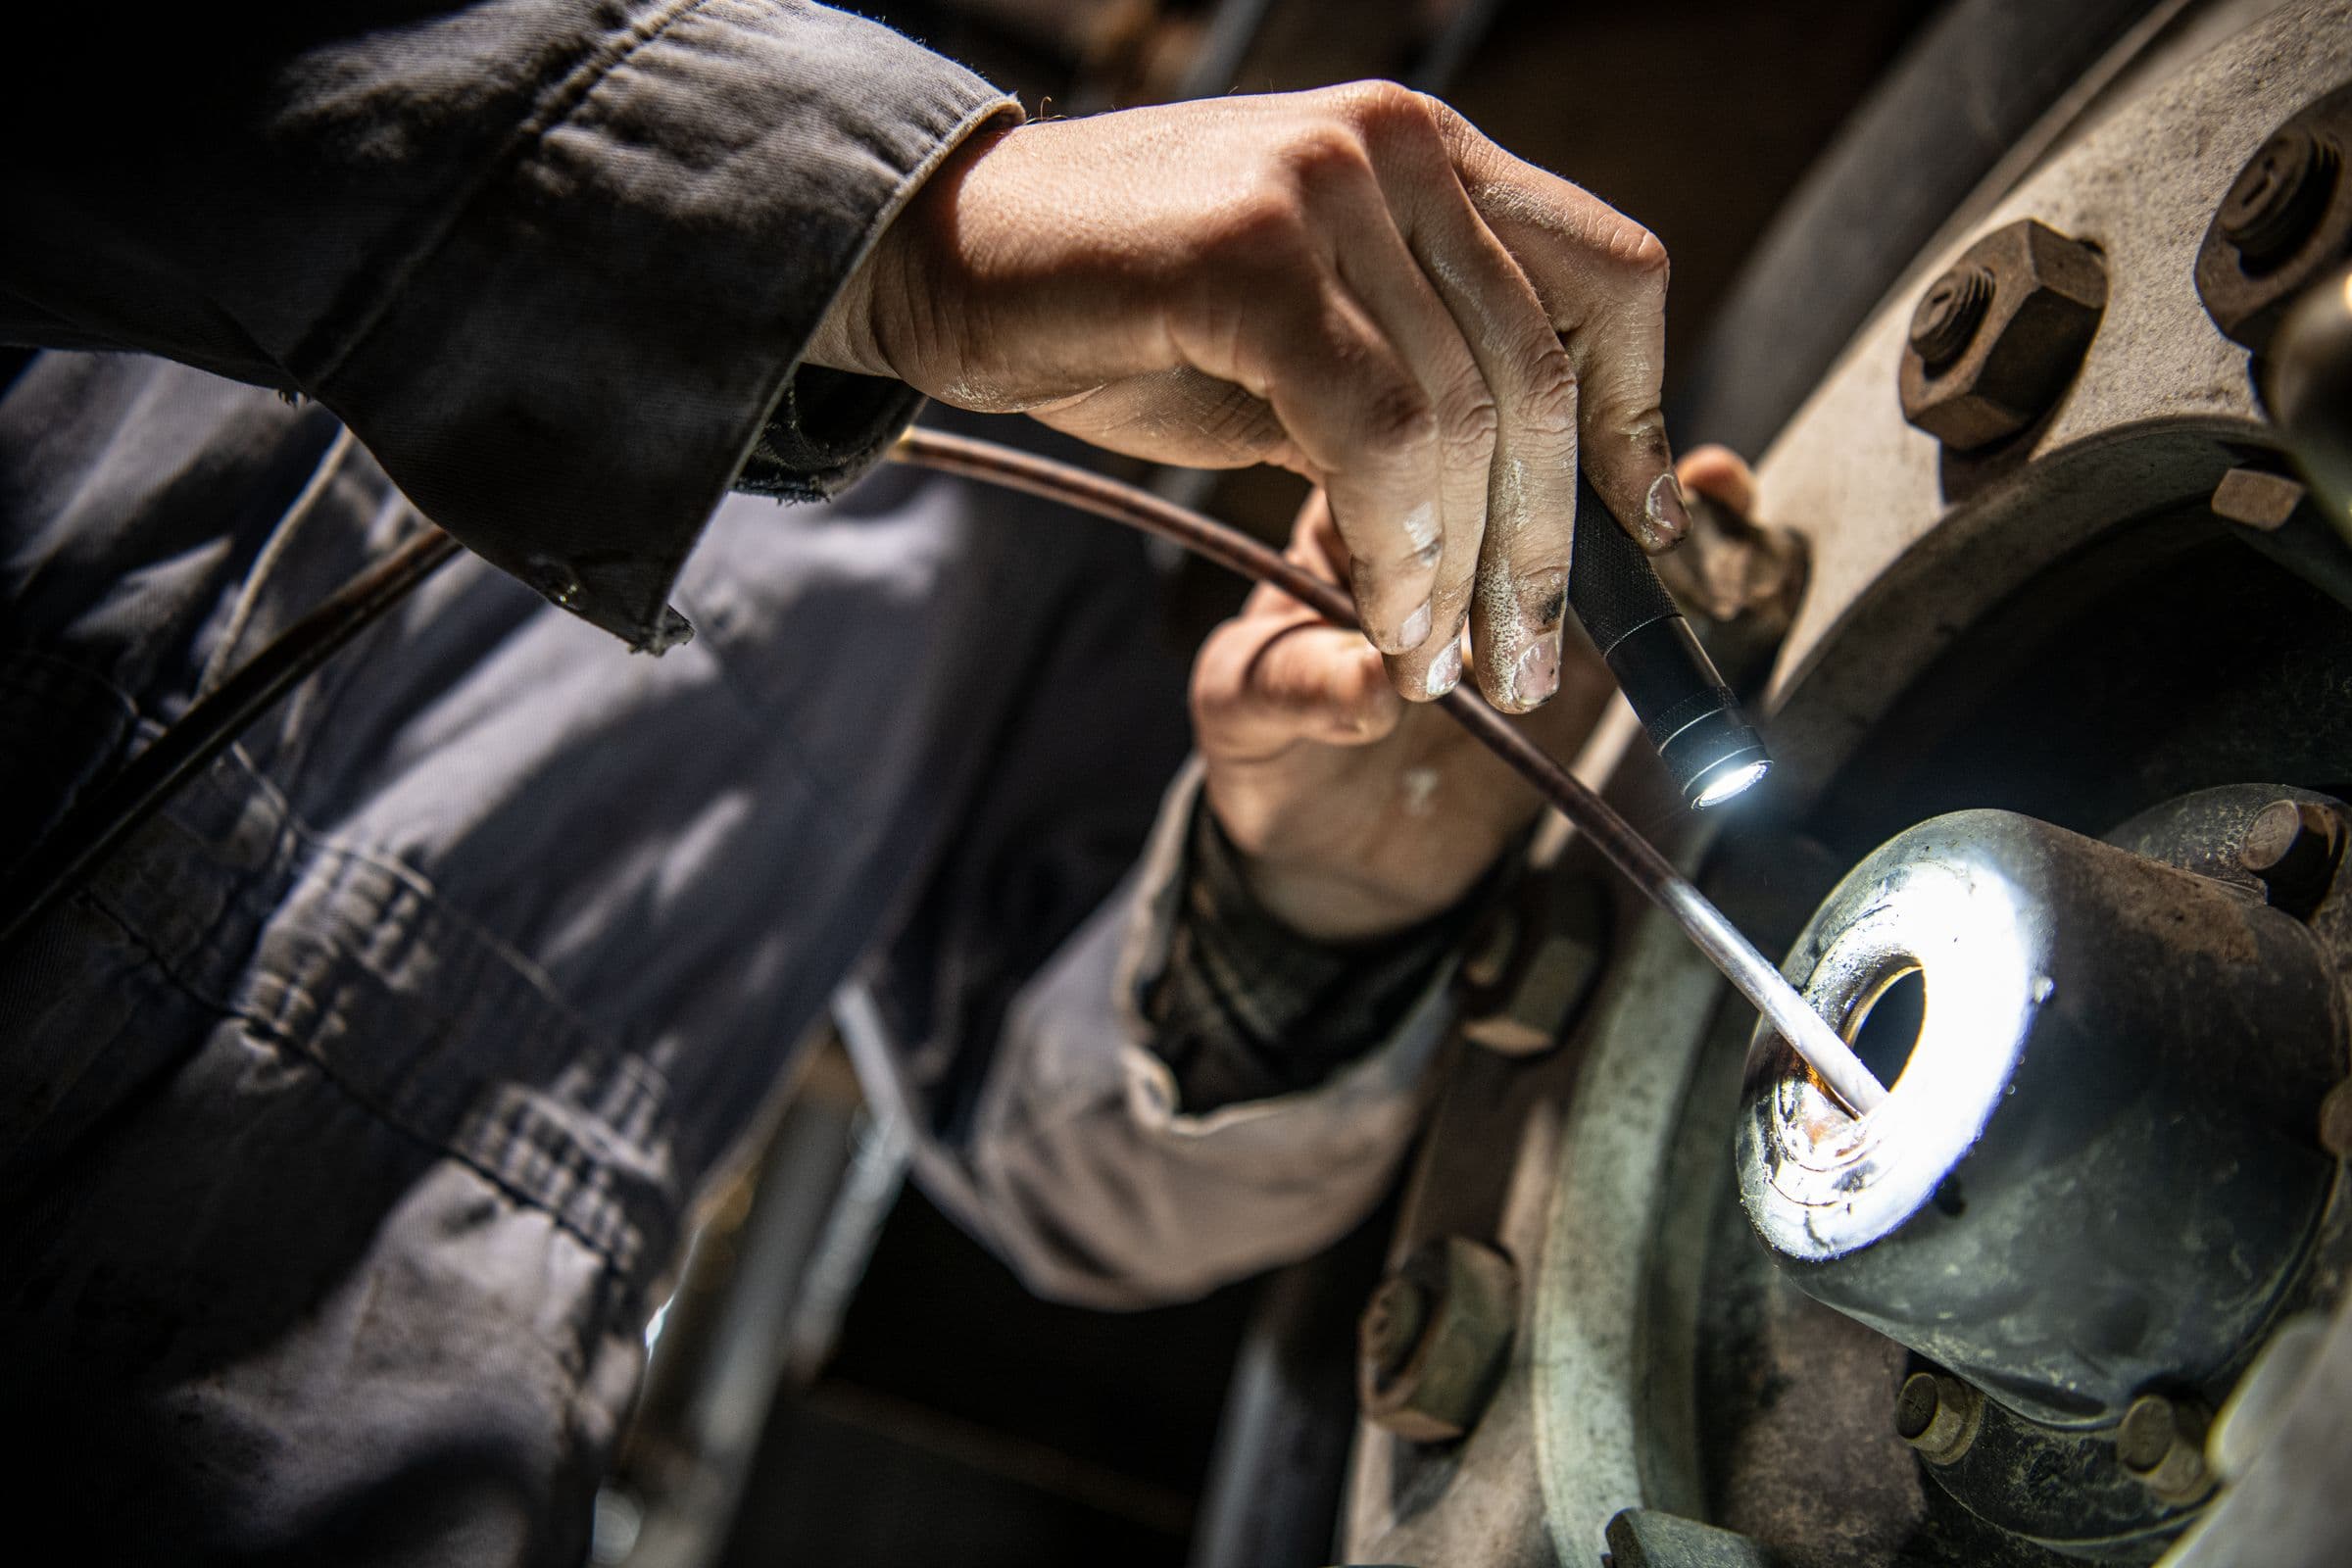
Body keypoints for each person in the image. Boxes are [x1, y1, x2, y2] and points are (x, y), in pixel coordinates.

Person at [0, 2, 1695, 1560]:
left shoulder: (1030, 521)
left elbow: (1070, 1170)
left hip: (369, 1425)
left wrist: (1301, 896)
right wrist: (896, 235)